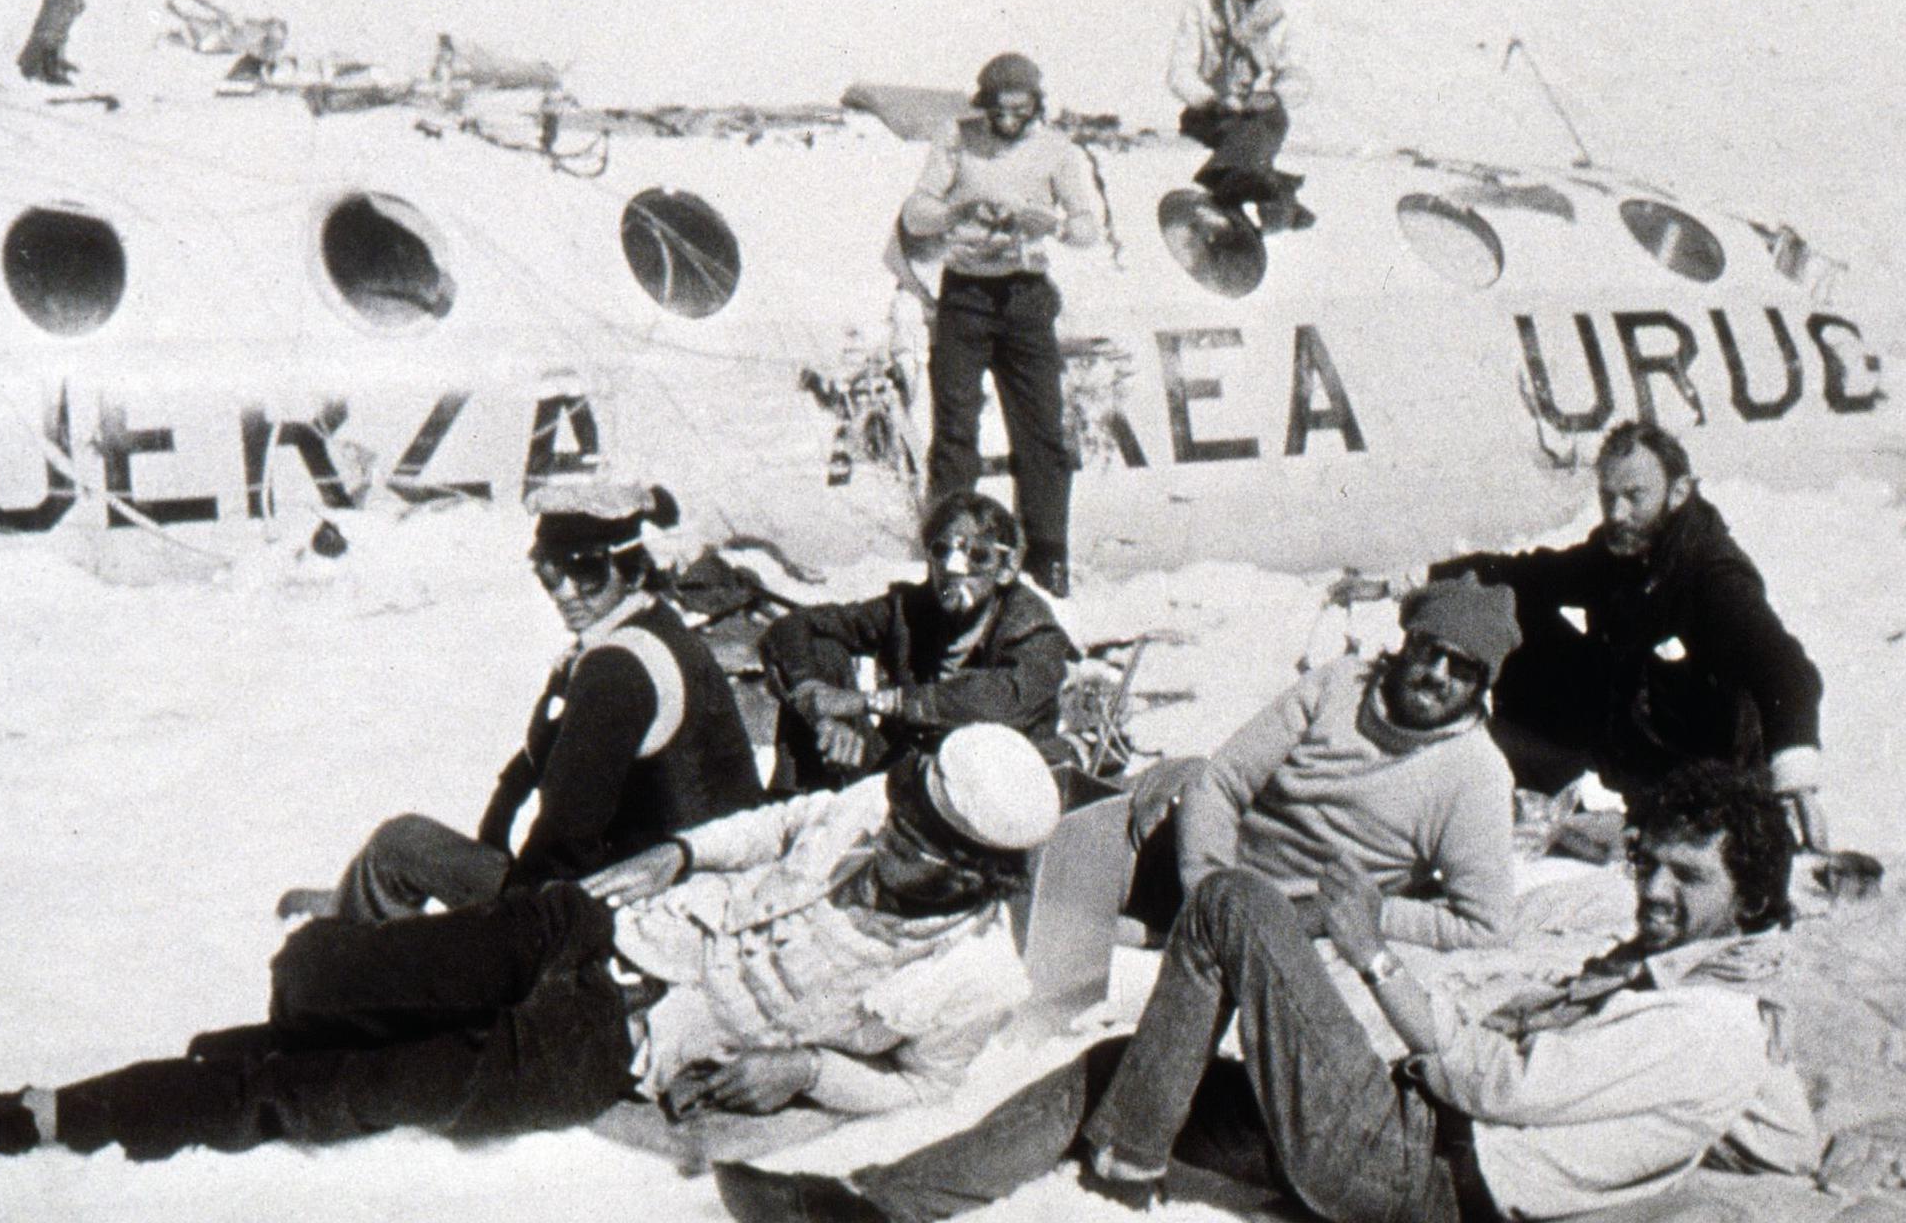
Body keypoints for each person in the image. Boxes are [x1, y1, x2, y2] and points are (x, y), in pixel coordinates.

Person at [712, 760, 1821, 1223]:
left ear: (1752, 893)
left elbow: (1498, 1082)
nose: (1658, 894)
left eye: (1689, 877)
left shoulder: (1714, 1021)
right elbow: (1770, 1128)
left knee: (1235, 904)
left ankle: (1132, 1159)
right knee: (1118, 1066)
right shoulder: (1689, 986)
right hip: (1405, 1136)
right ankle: (873, 1206)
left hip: (1418, 1168)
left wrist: (1372, 952)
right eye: (1652, 866)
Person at [0, 725, 1060, 1162]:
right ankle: (239, 1059)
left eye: (912, 846)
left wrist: (809, 1067)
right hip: (590, 927)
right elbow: (779, 824)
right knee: (320, 969)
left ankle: (62, 1112)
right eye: (894, 815)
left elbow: (923, 1087)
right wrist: (680, 857)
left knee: (342, 1091)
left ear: (975, 872)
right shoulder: (886, 803)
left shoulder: (976, 974)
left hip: (613, 1043)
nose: (881, 841)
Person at [274, 481, 765, 924]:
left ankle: (354, 930)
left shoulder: (616, 668)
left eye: (587, 570)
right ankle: (356, 906)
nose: (564, 591)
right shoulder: (654, 625)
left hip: (631, 906)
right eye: (550, 572)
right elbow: (547, 753)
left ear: (632, 568)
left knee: (399, 844)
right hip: (692, 876)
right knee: (409, 850)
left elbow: (565, 834)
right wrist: (500, 815)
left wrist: (504, 924)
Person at [1406, 420, 1831, 849]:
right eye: (1608, 496)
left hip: (1701, 772)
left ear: (1679, 492)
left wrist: (1797, 782)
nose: (1616, 513)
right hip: (1633, 737)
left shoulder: (1713, 573)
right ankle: (1538, 783)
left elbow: (1787, 668)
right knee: (1516, 605)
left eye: (1634, 497)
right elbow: (1533, 574)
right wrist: (1417, 580)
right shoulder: (1623, 548)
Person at [1121, 577, 1521, 950]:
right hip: (1200, 873)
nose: (1437, 674)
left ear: (1482, 685)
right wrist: (1206, 889)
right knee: (1146, 798)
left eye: (1462, 667)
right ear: (1407, 643)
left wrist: (1355, 914)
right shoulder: (1339, 685)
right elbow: (1223, 781)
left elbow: (1486, 925)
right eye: (1428, 650)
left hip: (1285, 922)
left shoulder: (1476, 774)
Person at [899, 52, 1103, 599]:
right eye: (1000, 110)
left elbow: (1089, 227)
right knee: (956, 432)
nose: (1010, 120)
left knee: (1040, 431)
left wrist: (1053, 224)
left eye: (1021, 109)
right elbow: (916, 212)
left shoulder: (1057, 150)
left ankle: (1049, 555)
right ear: (983, 104)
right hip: (965, 295)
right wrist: (952, 215)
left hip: (1025, 296)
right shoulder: (956, 138)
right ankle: (948, 553)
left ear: (1037, 104)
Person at [757, 490, 1076, 795]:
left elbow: (1002, 700)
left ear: (1006, 570)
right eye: (942, 551)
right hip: (909, 770)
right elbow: (793, 626)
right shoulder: (912, 609)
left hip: (988, 785)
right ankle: (792, 806)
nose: (954, 569)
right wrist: (816, 702)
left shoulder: (1033, 630)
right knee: (822, 650)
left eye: (979, 557)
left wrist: (872, 701)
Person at [1168, 0, 1314, 233]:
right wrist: (1212, 100)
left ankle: (1235, 191)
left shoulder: (1288, 9)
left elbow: (1300, 74)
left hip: (1261, 114)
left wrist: (1273, 95)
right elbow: (1179, 72)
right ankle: (1273, 195)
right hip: (1212, 113)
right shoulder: (1204, 1)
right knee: (1247, 137)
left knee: (1267, 122)